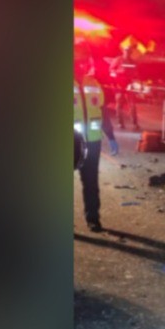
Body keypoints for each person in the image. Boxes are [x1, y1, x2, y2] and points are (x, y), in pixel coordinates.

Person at [74, 45, 116, 233]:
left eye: (85, 61)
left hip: (92, 141)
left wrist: (111, 136)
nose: (82, 65)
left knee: (91, 182)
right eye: (78, 61)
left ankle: (93, 219)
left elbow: (103, 111)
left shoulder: (94, 84)